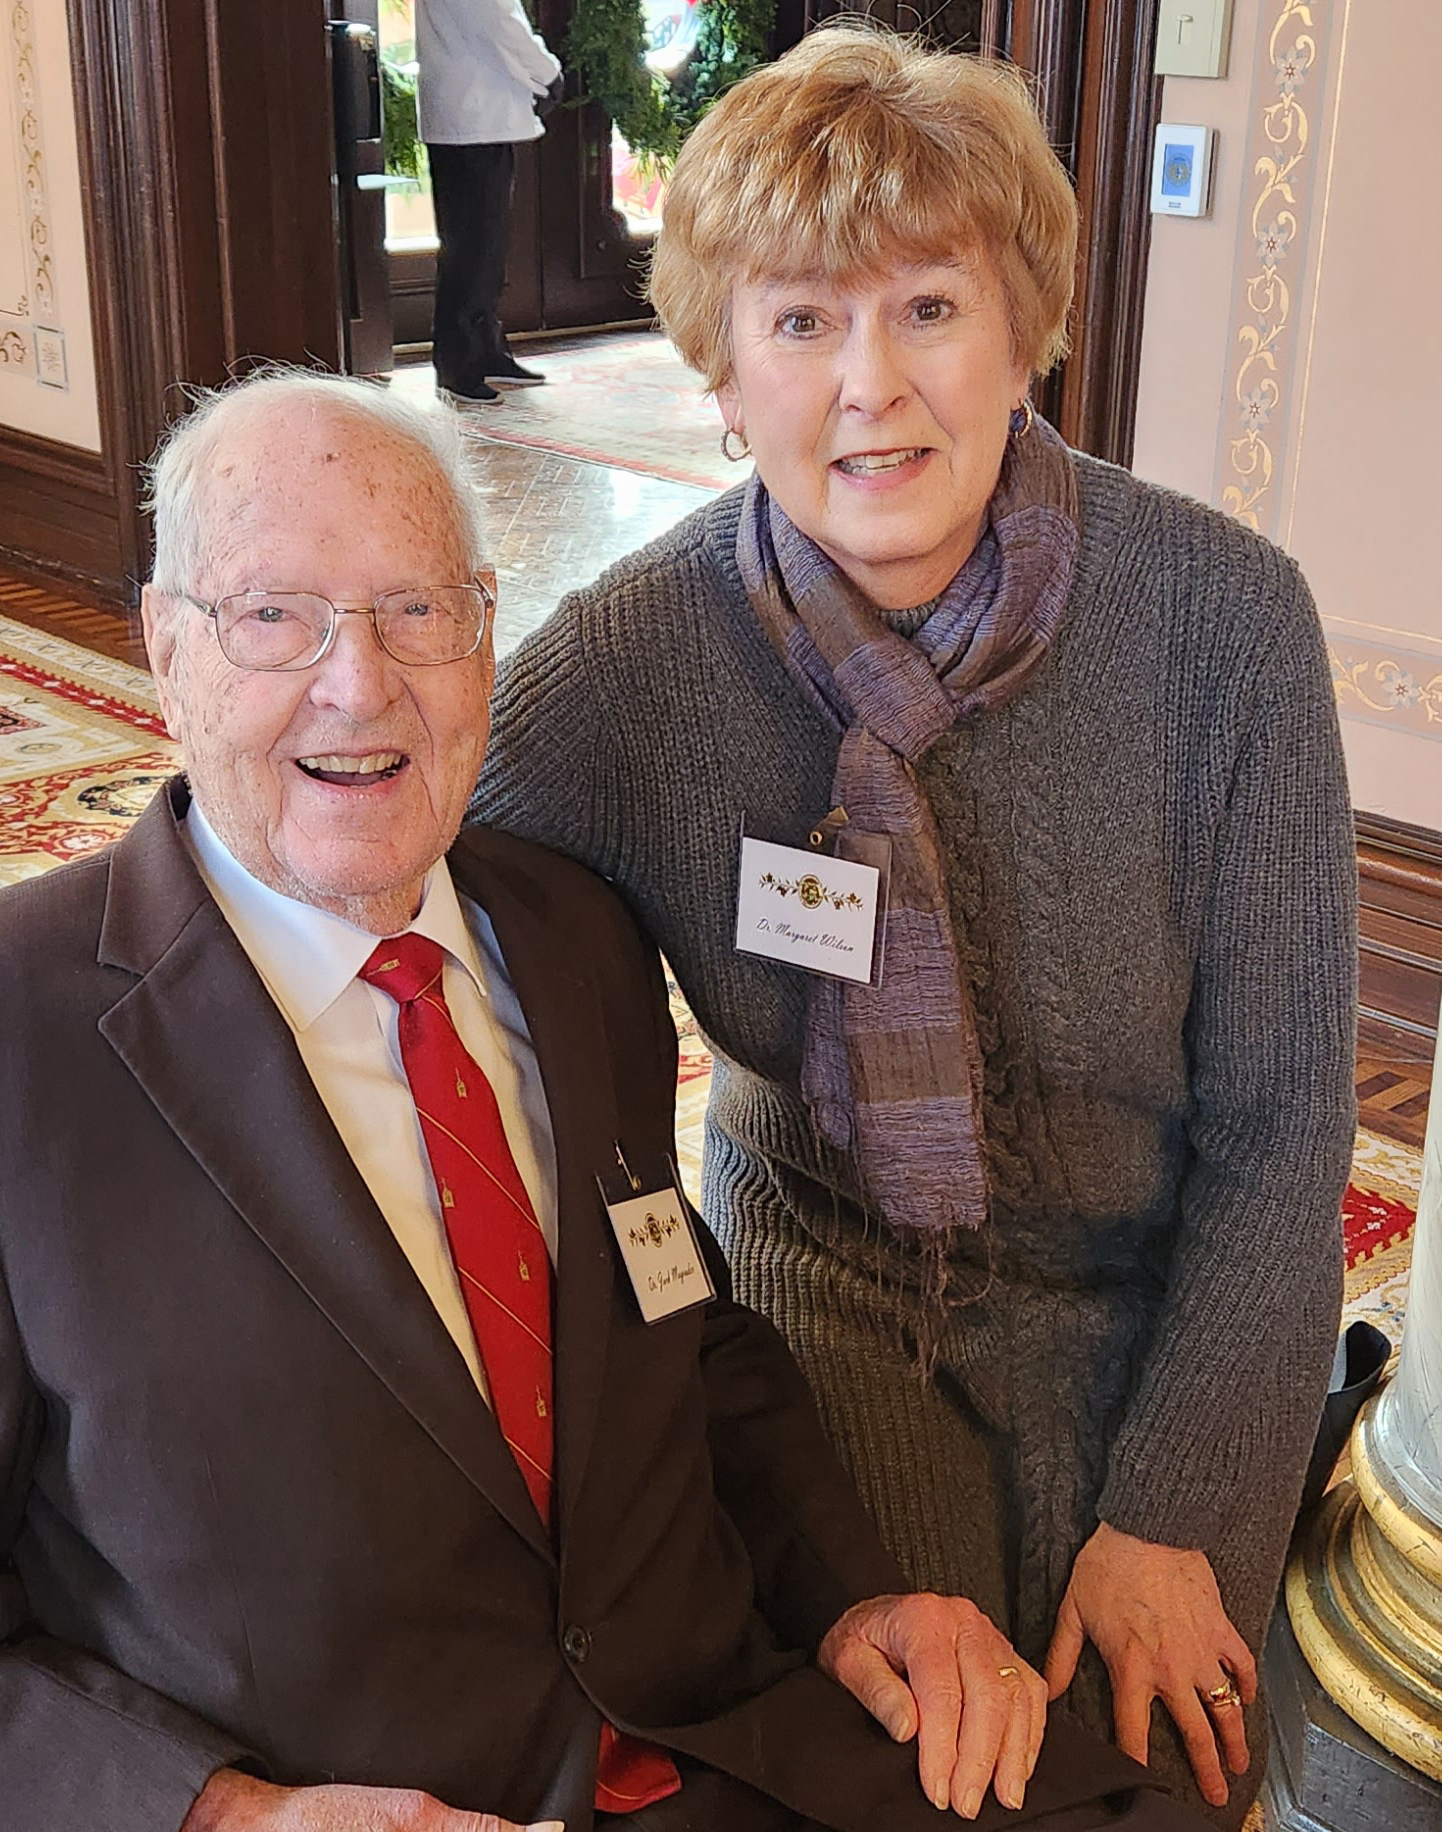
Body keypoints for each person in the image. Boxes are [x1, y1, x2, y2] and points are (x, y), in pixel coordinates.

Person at [0, 371, 1208, 1832]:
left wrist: (857, 1600)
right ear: (163, 651)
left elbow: (678, 1339)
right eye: (273, 617)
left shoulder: (574, 936)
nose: (358, 682)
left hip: (729, 1744)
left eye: (417, 611)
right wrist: (225, 1818)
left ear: (487, 635)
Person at [471, 26, 1357, 1831]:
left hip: (1161, 1304)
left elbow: (1282, 1134)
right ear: (720, 370)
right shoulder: (622, 671)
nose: (868, 387)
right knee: (906, 1779)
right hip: (827, 1308)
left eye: (927, 307)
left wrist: (1178, 1505)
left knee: (1158, 1771)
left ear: (1026, 326)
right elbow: (348, 856)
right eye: (798, 322)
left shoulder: (1222, 625)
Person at [415, 0, 561, 402]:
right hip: (471, 113)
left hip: (475, 112)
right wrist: (548, 72)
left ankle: (486, 351)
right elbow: (497, 20)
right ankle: (458, 363)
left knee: (487, 247)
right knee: (472, 248)